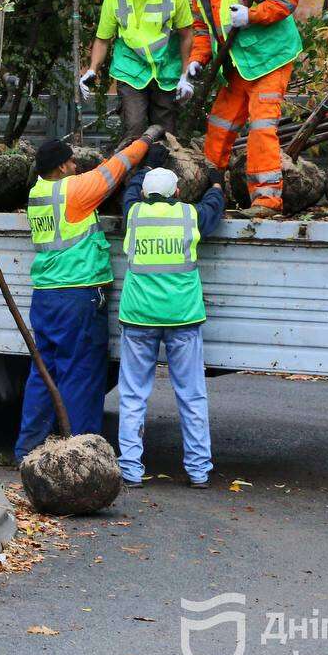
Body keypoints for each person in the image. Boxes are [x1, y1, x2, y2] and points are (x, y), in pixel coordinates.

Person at [14, 126, 162, 463]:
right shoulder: (74, 191)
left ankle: (27, 449)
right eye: (70, 162)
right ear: (61, 168)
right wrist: (146, 141)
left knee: (44, 374)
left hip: (47, 296)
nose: (76, 166)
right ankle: (83, 455)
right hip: (77, 295)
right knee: (81, 375)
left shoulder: (39, 192)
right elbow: (116, 168)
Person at [116, 155, 225, 488]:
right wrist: (217, 184)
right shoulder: (187, 216)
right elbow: (212, 210)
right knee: (191, 395)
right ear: (178, 191)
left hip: (139, 317)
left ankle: (131, 470)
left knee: (133, 396)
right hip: (182, 317)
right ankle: (198, 471)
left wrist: (144, 170)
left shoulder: (134, 215)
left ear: (146, 194)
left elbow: (129, 195)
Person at [177, 0, 302, 218]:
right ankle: (212, 192)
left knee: (261, 128)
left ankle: (267, 202)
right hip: (237, 67)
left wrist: (252, 15)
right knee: (218, 127)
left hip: (270, 60)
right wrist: (195, 63)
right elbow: (201, 31)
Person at [79, 0, 195, 140]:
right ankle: (134, 169)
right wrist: (92, 69)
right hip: (131, 69)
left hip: (165, 69)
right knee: (134, 128)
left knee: (166, 133)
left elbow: (186, 35)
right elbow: (102, 39)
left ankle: (162, 169)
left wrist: (185, 74)